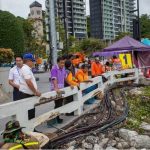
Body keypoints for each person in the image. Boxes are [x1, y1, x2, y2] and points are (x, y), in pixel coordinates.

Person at [50, 56, 66, 123]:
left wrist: (71, 84)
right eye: (61, 63)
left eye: (63, 63)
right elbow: (54, 79)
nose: (62, 64)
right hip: (56, 89)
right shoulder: (54, 69)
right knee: (57, 104)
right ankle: (55, 118)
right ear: (58, 62)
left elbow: (65, 78)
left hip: (61, 89)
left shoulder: (63, 68)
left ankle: (57, 117)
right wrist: (56, 88)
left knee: (60, 103)